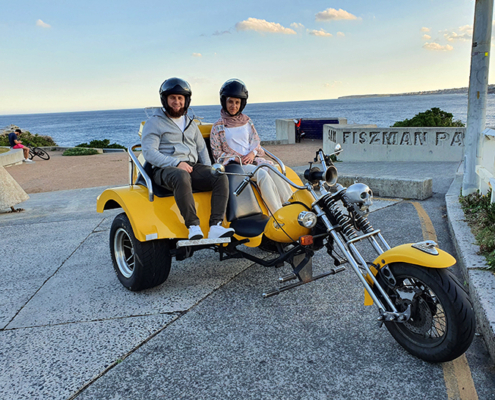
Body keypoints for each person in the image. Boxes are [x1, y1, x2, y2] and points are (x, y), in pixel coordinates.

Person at [141, 77, 234, 240]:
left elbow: (201, 149)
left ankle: (216, 226)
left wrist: (209, 170)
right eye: (172, 98)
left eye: (180, 98)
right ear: (165, 99)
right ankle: (193, 226)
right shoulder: (154, 123)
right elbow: (149, 152)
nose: (176, 102)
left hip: (192, 166)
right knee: (181, 175)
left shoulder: (191, 123)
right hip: (165, 169)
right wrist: (176, 163)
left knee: (219, 176)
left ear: (186, 100)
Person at [210, 79, 293, 213]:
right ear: (224, 101)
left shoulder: (247, 122)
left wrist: (252, 153)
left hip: (252, 160)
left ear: (241, 104)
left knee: (274, 169)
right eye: (230, 101)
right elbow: (217, 153)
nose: (233, 106)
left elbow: (256, 142)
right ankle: (277, 214)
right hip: (234, 165)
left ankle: (291, 206)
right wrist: (236, 158)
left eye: (237, 102)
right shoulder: (218, 126)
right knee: (261, 174)